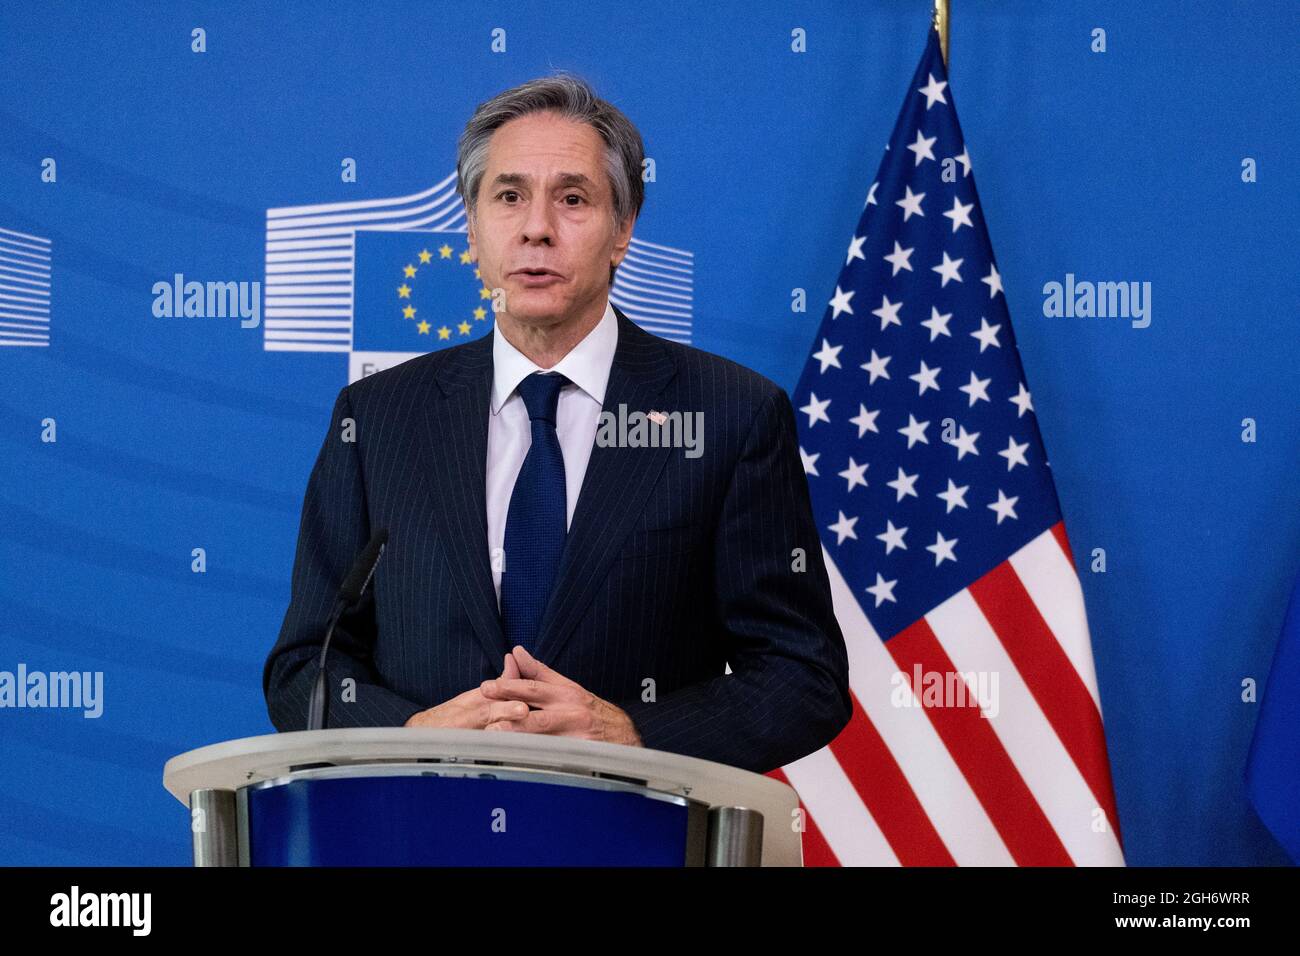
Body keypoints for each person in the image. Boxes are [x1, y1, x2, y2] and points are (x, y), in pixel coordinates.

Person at [263, 73, 850, 774]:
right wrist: (412, 733)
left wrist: (634, 735)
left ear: (623, 231)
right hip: (421, 828)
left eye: (573, 199)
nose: (537, 227)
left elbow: (801, 675)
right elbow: (305, 667)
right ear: (473, 231)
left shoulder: (730, 414)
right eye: (508, 197)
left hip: (635, 836)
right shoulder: (378, 418)